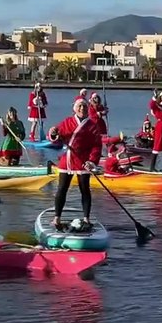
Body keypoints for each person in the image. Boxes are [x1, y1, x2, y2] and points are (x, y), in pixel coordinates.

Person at [47, 96, 103, 232]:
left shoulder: (92, 126)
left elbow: (97, 145)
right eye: (79, 106)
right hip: (67, 160)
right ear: (75, 109)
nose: (82, 108)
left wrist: (92, 161)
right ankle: (57, 218)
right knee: (62, 189)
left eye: (84, 106)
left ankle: (86, 218)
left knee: (85, 190)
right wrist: (53, 133)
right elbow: (56, 139)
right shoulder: (67, 122)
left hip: (83, 162)